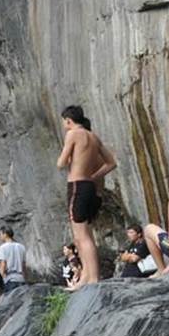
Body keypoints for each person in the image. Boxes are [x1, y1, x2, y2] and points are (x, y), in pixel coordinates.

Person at [56, 105, 117, 288]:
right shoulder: (93, 137)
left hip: (77, 186)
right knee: (86, 234)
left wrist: (68, 162)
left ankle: (92, 277)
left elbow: (61, 162)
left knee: (81, 236)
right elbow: (111, 163)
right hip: (89, 187)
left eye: (64, 122)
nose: (64, 126)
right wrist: (92, 177)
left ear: (68, 120)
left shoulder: (73, 134)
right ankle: (87, 276)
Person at [0, 227, 27, 293]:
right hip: (21, 279)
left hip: (10, 280)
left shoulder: (3, 247)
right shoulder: (22, 247)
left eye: (0, 234)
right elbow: (23, 266)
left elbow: (3, 265)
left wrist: (3, 280)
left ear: (5, 234)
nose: (0, 237)